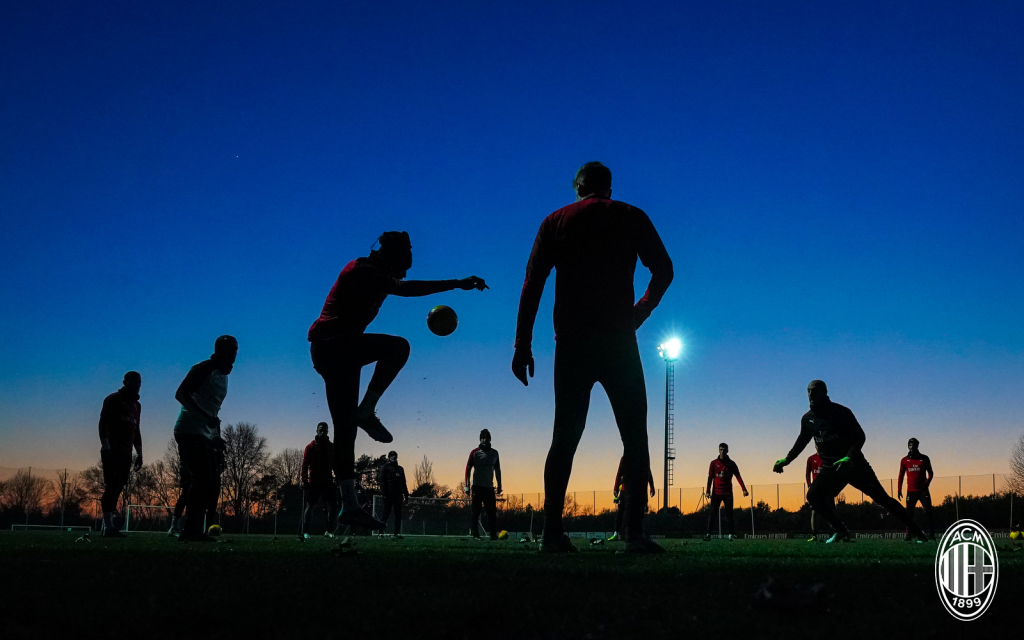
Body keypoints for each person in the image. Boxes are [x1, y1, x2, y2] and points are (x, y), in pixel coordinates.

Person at [512, 162, 673, 554]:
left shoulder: (556, 220)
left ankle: (552, 533)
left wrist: (522, 344)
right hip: (619, 339)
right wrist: (640, 312)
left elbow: (533, 284)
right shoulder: (630, 215)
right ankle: (633, 533)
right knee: (635, 436)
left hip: (572, 342)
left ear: (579, 186)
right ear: (609, 187)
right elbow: (664, 270)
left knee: (564, 437)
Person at [308, 231, 487, 531]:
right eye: (402, 267)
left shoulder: (377, 273)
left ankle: (349, 507)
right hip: (332, 346)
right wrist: (456, 283)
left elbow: (401, 285)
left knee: (345, 429)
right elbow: (406, 289)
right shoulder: (363, 270)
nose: (403, 274)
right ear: (389, 257)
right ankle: (366, 411)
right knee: (398, 347)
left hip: (342, 349)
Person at [773, 380, 929, 543]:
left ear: (825, 392)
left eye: (815, 391)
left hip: (854, 465)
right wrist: (787, 459)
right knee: (813, 496)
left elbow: (860, 436)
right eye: (808, 391)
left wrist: (849, 457)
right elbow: (802, 441)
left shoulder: (841, 412)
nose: (811, 394)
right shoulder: (807, 419)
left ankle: (918, 533)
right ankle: (840, 530)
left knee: (883, 499)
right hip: (831, 468)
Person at [174, 335, 237, 542]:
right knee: (203, 478)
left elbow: (213, 411)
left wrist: (216, 435)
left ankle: (194, 528)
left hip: (205, 432)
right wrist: (204, 416)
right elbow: (181, 394)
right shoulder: (204, 368)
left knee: (209, 480)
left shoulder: (224, 376)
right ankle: (190, 530)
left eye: (236, 350)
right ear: (219, 350)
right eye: (230, 350)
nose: (234, 354)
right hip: (189, 428)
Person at [97, 371, 143, 537]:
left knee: (118, 487)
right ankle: (107, 526)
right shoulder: (113, 399)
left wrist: (139, 454)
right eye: (133, 382)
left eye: (139, 382)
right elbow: (103, 423)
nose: (136, 385)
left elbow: (136, 430)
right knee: (112, 485)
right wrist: (106, 446)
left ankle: (108, 526)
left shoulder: (137, 406)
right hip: (112, 450)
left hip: (126, 454)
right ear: (125, 382)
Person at [301, 422, 339, 539]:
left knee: (333, 505)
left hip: (327, 480)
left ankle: (329, 531)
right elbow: (305, 464)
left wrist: (337, 477)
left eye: (325, 430)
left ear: (328, 432)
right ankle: (306, 531)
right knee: (310, 505)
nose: (323, 432)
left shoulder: (331, 447)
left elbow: (334, 464)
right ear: (317, 431)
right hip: (315, 481)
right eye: (321, 430)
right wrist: (304, 479)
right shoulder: (311, 447)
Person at [703, 443, 748, 541]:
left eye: (724, 450)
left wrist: (744, 489)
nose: (722, 451)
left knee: (729, 514)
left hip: (727, 494)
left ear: (727, 451)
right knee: (713, 514)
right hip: (716, 493)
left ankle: (731, 535)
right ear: (718, 450)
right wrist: (707, 491)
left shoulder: (731, 464)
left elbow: (738, 476)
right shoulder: (713, 463)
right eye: (721, 449)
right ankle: (708, 535)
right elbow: (710, 478)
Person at [464, 429, 502, 540]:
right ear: (480, 439)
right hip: (477, 487)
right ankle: (475, 534)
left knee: (492, 512)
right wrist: (467, 486)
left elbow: (498, 470)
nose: (485, 440)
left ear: (490, 439)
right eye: (483, 438)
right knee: (476, 511)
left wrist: (499, 485)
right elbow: (468, 469)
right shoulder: (474, 453)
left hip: (489, 487)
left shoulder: (494, 453)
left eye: (487, 438)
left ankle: (492, 534)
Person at [609, 456, 655, 542]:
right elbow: (619, 473)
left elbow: (647, 472)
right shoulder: (625, 458)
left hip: (635, 489)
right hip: (625, 489)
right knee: (621, 511)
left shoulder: (641, 457)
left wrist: (652, 486)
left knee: (632, 512)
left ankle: (632, 533)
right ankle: (617, 533)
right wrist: (616, 488)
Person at [898, 437, 935, 541]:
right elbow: (901, 475)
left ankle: (931, 535)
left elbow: (931, 473)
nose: (912, 447)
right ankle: (908, 535)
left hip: (923, 492)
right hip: (911, 491)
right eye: (910, 445)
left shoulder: (924, 458)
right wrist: (899, 490)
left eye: (914, 445)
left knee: (929, 512)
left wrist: (927, 482)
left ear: (917, 446)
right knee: (909, 514)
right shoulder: (904, 460)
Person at [379, 450, 410, 537]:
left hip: (398, 495)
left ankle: (397, 533)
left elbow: (403, 482)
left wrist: (406, 495)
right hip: (388, 495)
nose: (393, 457)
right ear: (389, 457)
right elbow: (382, 482)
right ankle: (381, 532)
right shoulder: (385, 468)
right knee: (386, 514)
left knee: (398, 515)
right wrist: (384, 494)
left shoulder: (400, 469)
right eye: (391, 455)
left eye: (395, 455)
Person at [805, 452, 830, 541]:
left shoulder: (828, 457)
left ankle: (834, 533)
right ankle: (814, 535)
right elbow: (807, 474)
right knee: (814, 512)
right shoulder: (811, 458)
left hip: (827, 488)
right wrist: (810, 485)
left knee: (830, 511)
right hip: (816, 489)